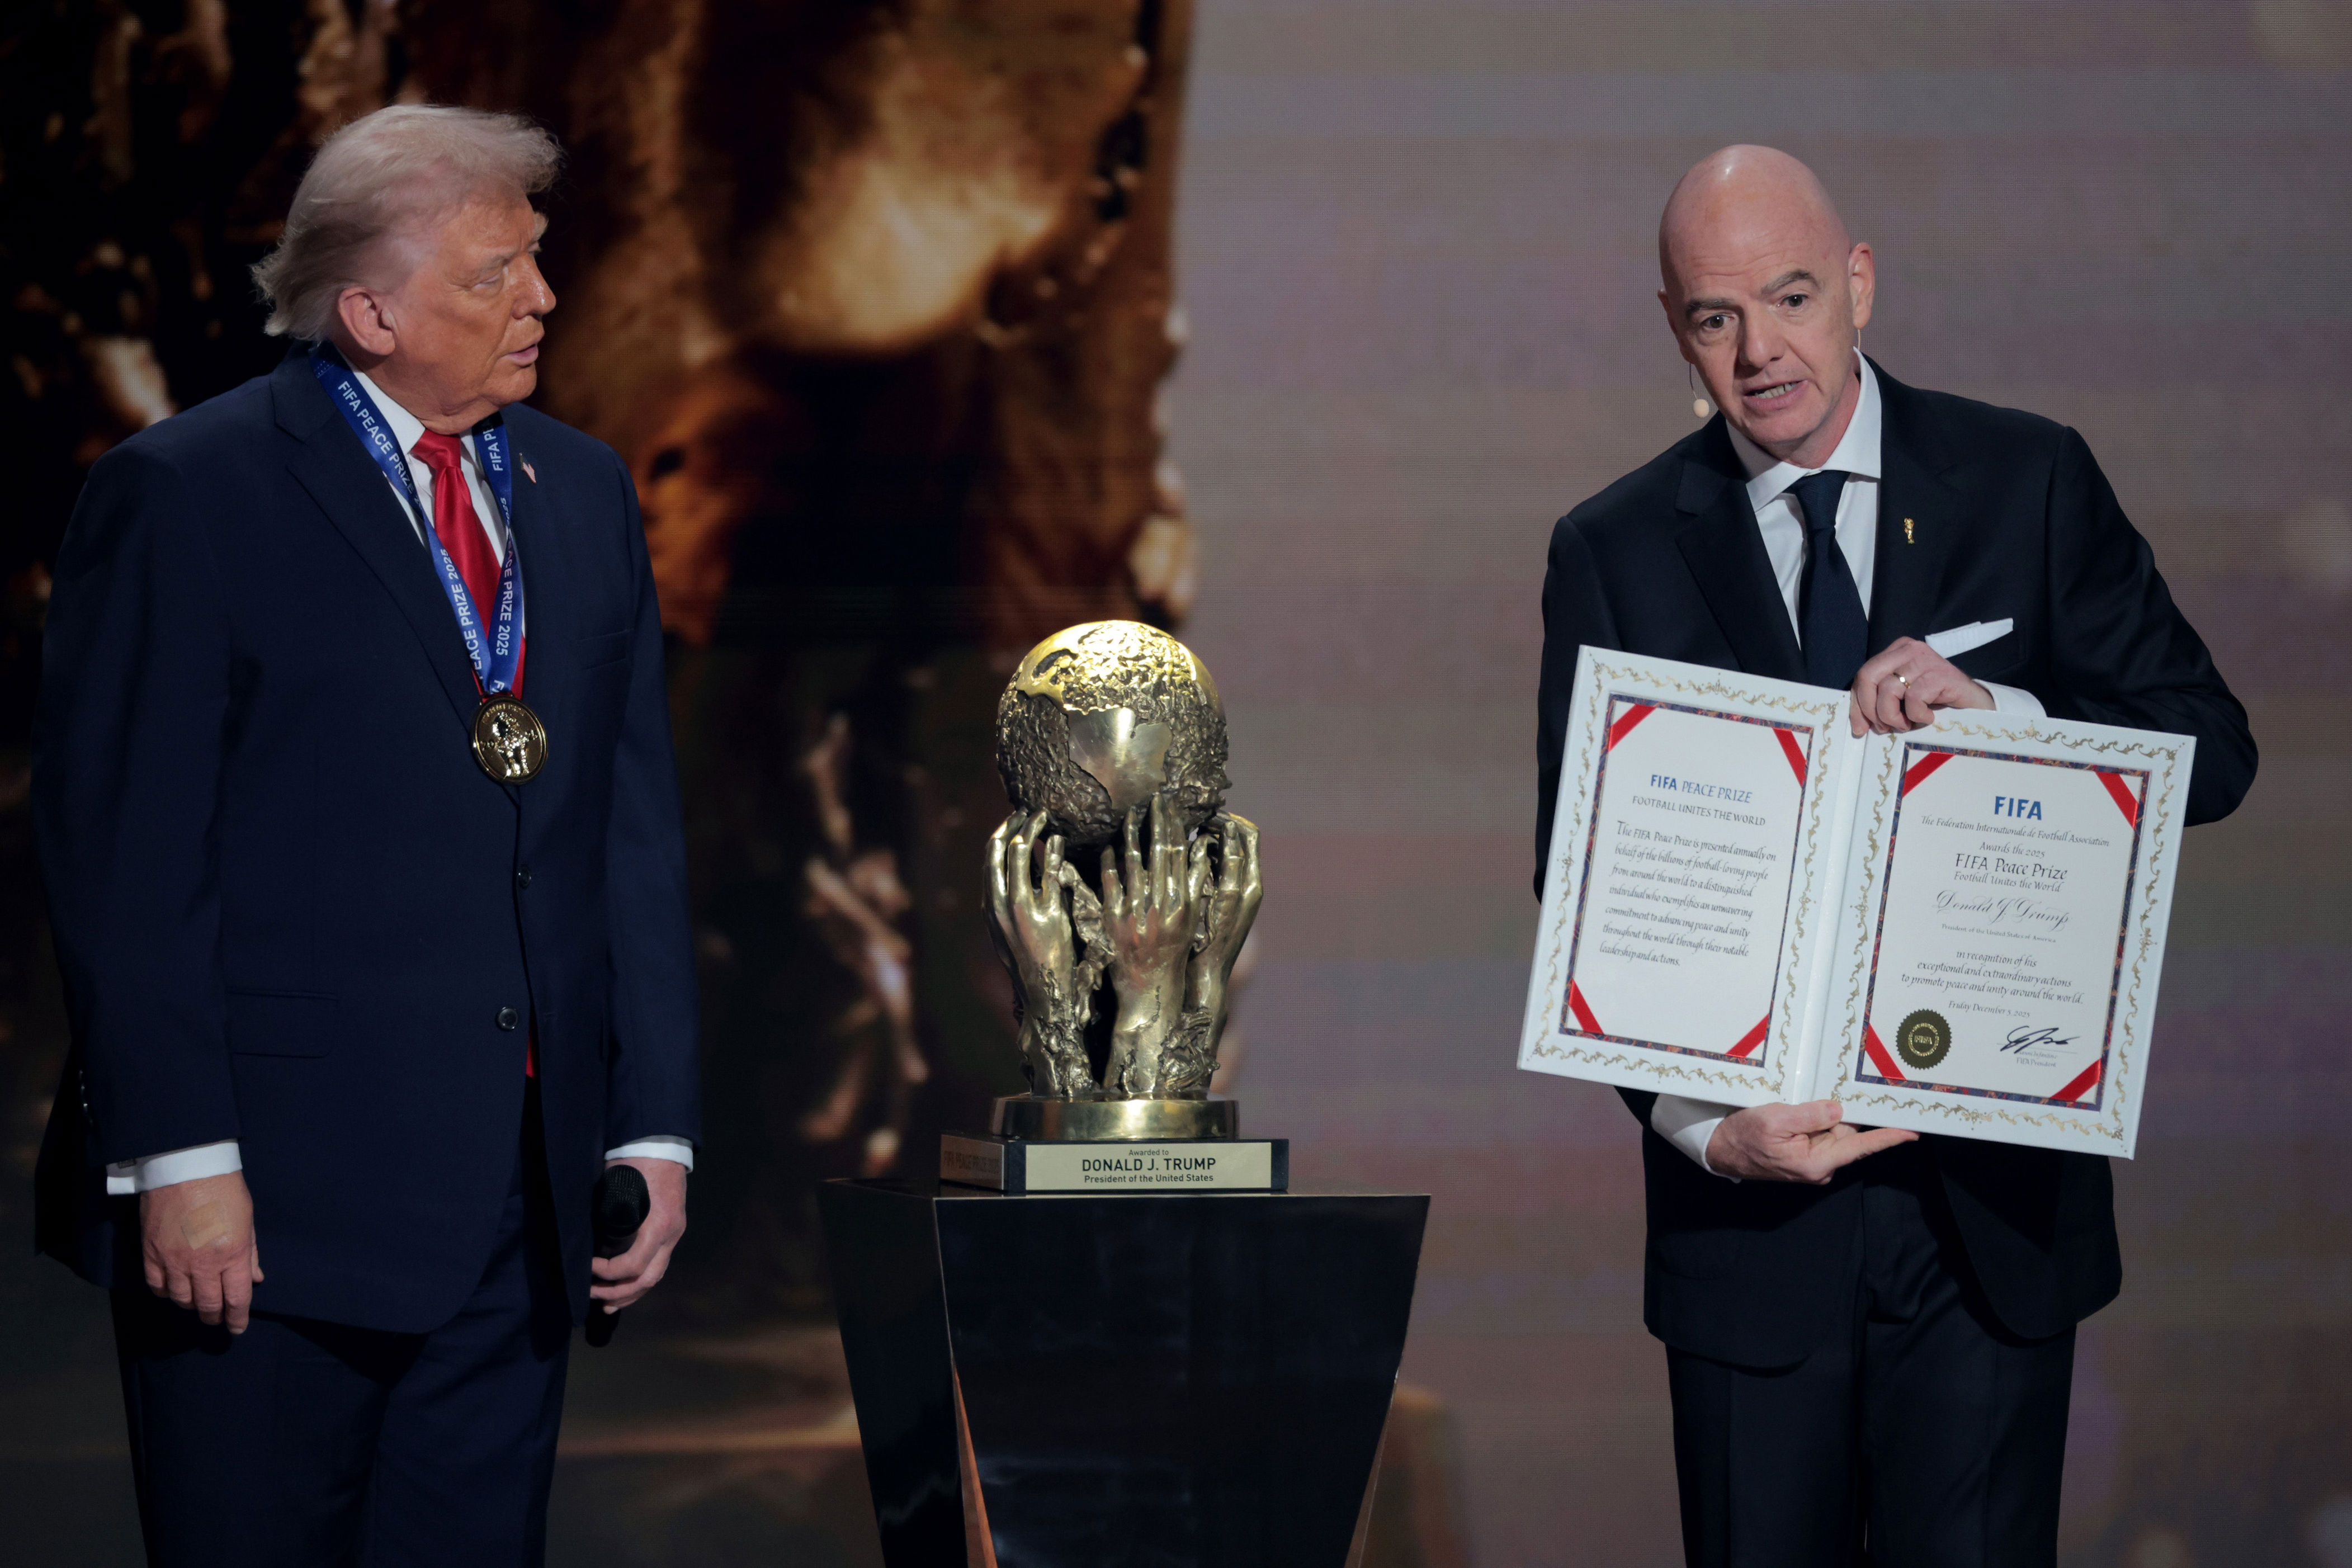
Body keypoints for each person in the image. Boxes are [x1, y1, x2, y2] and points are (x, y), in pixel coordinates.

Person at [1534, 146, 2256, 1565]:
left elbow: (2210, 750)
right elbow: (1581, 888)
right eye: (1715, 317)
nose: (1761, 353)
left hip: (1985, 1217)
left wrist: (2007, 720)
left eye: (1792, 297)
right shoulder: (1612, 549)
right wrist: (1699, 1127)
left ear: (1859, 283)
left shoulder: (2026, 479)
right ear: (1673, 325)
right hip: (1746, 1221)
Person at [31, 105, 700, 1565]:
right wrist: (179, 1155)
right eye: (496, 273)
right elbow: (129, 858)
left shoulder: (580, 491)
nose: (543, 297)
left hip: (515, 1217)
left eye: (537, 260)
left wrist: (647, 1119)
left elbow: (626, 829)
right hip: (264, 1215)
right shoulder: (188, 493)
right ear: (370, 310)